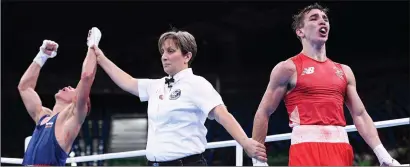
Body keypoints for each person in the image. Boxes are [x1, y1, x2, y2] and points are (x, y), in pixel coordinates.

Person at [251, 3, 401, 166]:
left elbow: (360, 115)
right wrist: (258, 160)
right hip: (306, 148)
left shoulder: (344, 71)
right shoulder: (288, 68)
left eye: (325, 19)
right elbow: (263, 112)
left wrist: (382, 154)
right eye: (314, 19)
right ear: (300, 32)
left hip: (340, 148)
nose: (322, 22)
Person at [95, 29, 266, 166]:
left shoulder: (197, 84)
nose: (164, 56)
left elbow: (223, 115)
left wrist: (246, 143)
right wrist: (100, 58)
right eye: (163, 51)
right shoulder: (157, 85)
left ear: (187, 56)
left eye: (170, 51)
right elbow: (128, 82)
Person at [19, 27, 101, 166]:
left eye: (74, 89)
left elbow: (87, 77)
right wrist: (42, 56)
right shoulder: (43, 116)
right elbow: (24, 88)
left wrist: (93, 46)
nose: (69, 86)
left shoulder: (71, 120)